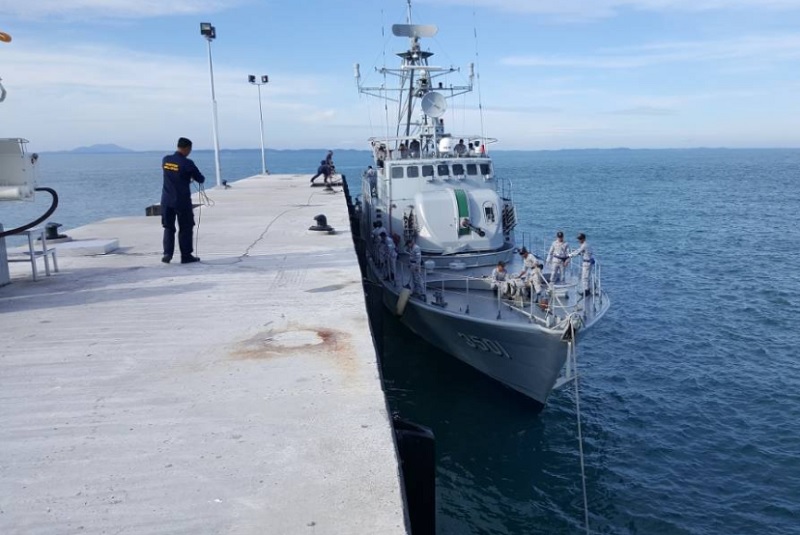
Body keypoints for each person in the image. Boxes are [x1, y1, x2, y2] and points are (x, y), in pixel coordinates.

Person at [161, 137, 205, 264]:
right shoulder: (187, 163)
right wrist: (189, 176)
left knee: (168, 227)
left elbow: (173, 174)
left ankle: (167, 254)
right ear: (187, 148)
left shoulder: (166, 160)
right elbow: (200, 179)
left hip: (166, 200)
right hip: (182, 201)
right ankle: (186, 256)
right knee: (186, 227)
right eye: (190, 149)